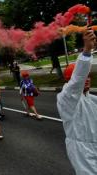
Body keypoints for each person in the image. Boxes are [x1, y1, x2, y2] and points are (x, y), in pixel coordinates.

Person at [57, 29, 97, 174]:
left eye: (88, 76)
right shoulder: (65, 98)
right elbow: (76, 83)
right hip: (82, 150)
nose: (86, 79)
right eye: (82, 76)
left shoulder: (92, 99)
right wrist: (87, 50)